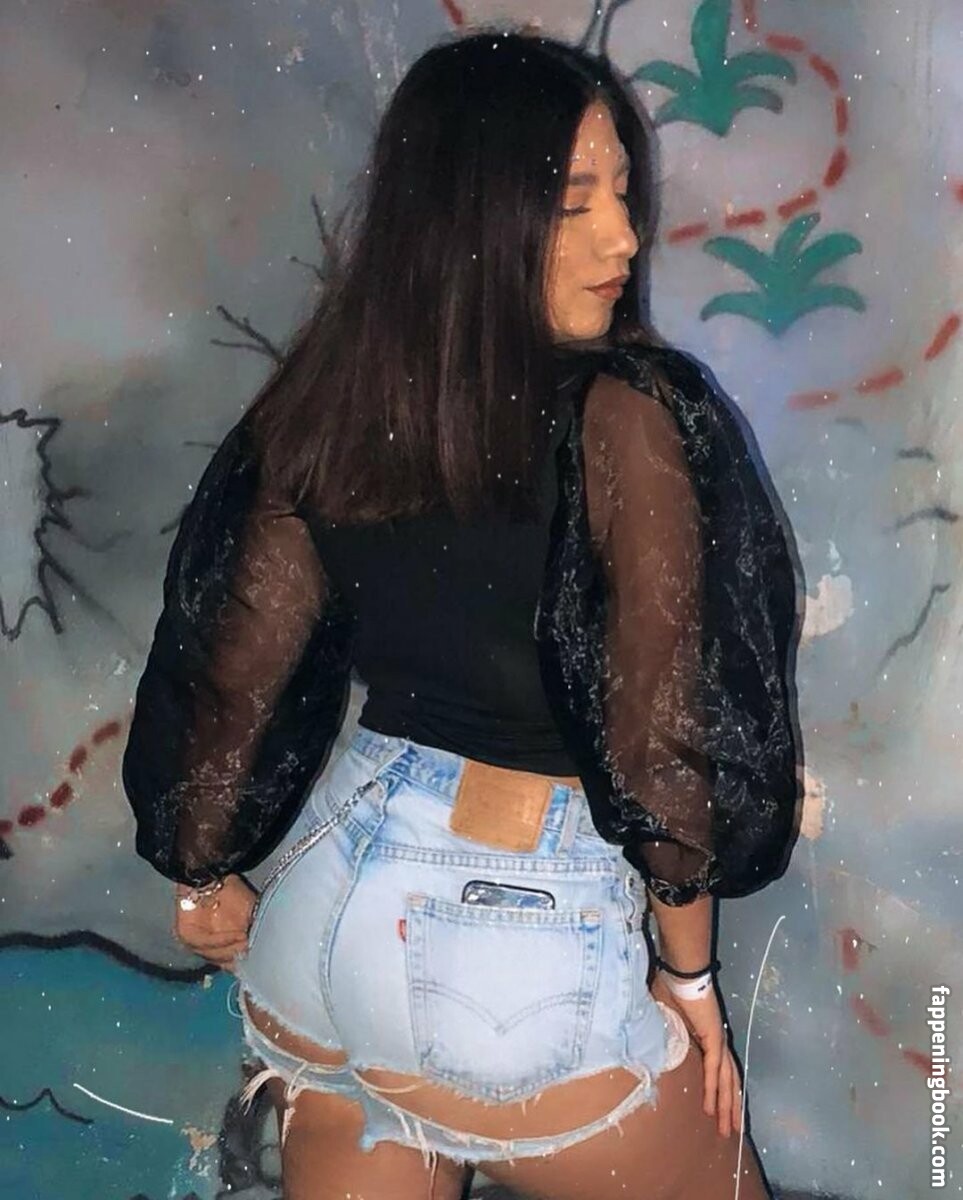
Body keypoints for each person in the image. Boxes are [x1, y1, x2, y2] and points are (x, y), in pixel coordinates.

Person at [122, 25, 804, 1200]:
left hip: (321, 931)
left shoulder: (328, 397)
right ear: (474, 215)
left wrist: (200, 873)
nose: (623, 238)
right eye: (575, 203)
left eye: (624, 196)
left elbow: (228, 663)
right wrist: (689, 980)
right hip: (509, 941)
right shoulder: (630, 414)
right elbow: (668, 734)